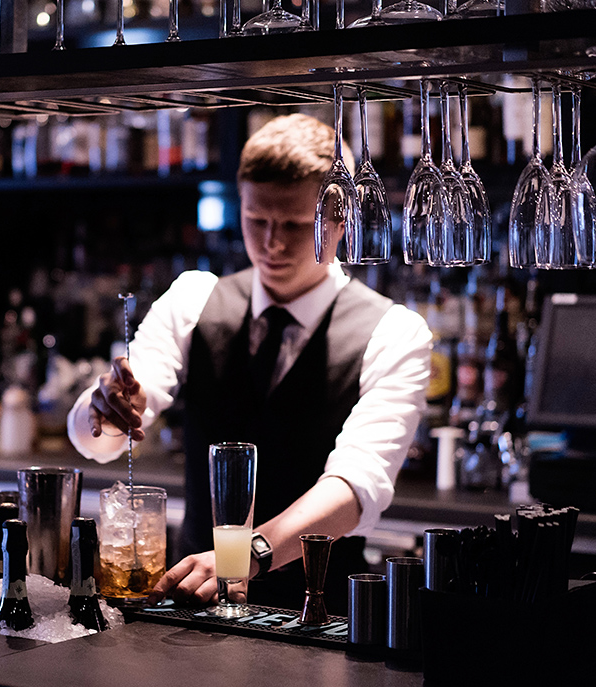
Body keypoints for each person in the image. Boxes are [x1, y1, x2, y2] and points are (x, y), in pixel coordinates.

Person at [67, 113, 431, 613]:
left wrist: (247, 553)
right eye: (256, 221)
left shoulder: (393, 331)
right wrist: (108, 410)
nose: (272, 244)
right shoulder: (194, 299)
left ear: (339, 219)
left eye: (295, 225)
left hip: (319, 619)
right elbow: (101, 443)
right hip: (192, 615)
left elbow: (357, 486)